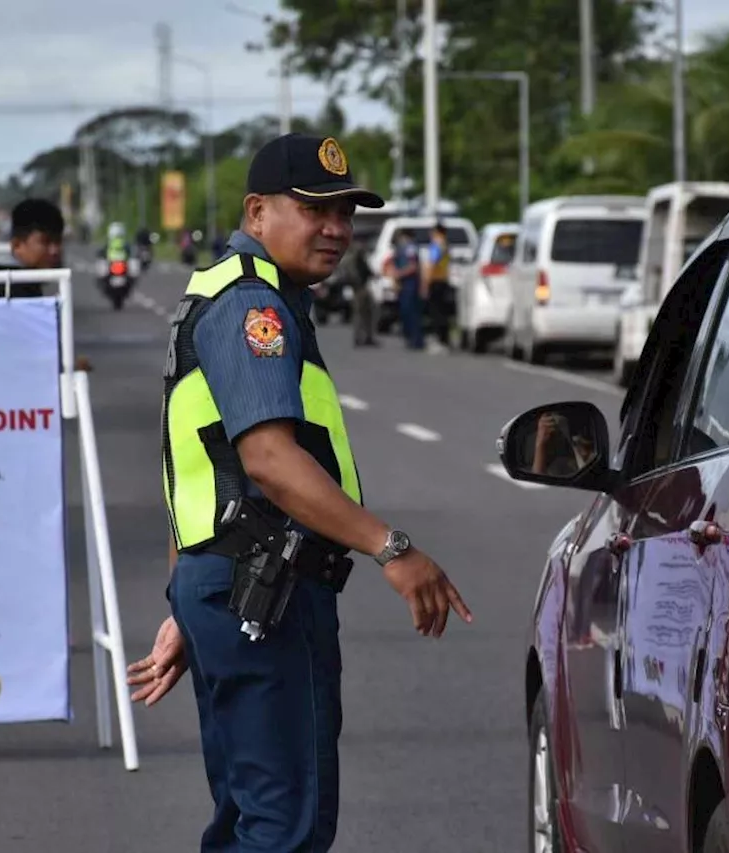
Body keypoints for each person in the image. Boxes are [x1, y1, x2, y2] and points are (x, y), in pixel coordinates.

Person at [126, 132, 473, 853]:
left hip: (225, 585)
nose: (338, 229)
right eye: (316, 210)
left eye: (346, 213)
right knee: (285, 827)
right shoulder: (254, 310)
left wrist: (185, 596)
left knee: (250, 819)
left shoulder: (224, 296)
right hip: (266, 594)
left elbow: (192, 468)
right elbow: (267, 460)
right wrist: (393, 548)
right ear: (257, 212)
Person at [0, 198, 90, 371]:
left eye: (58, 242)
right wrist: (67, 366)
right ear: (16, 245)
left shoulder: (17, 284)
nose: (54, 251)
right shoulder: (10, 293)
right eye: (45, 242)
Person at [389, 229, 424, 350]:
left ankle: (416, 340)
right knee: (405, 312)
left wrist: (399, 274)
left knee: (412, 312)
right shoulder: (399, 248)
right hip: (403, 283)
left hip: (410, 283)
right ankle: (410, 338)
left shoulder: (410, 248)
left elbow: (413, 266)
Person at [422, 222, 452, 352]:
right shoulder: (445, 243)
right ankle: (444, 340)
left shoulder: (437, 244)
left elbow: (432, 263)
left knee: (436, 312)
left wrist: (426, 282)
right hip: (443, 280)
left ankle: (440, 340)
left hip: (436, 281)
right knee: (442, 312)